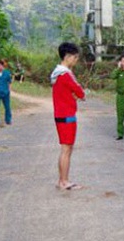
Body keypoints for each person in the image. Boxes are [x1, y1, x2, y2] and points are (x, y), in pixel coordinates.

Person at [50, 42, 86, 190]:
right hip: (67, 116)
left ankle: (62, 180)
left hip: (61, 114)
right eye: (75, 57)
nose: (76, 61)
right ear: (68, 57)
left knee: (66, 149)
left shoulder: (57, 74)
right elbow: (80, 92)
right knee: (66, 149)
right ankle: (64, 181)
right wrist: (77, 95)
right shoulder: (65, 74)